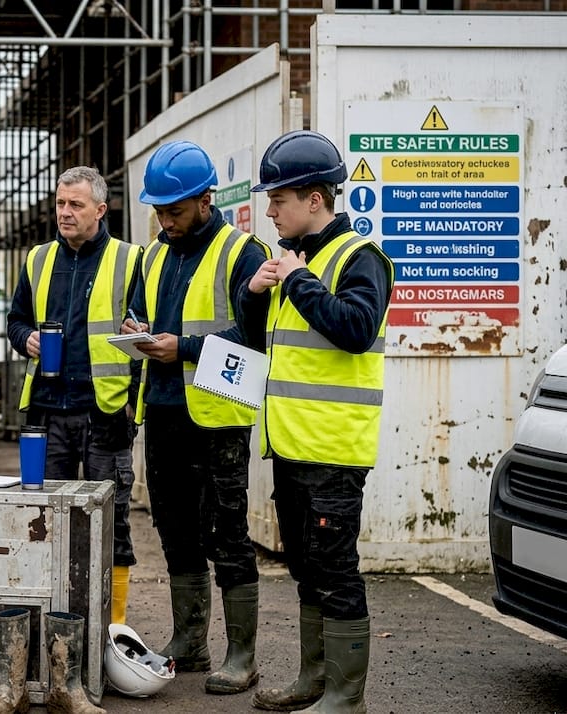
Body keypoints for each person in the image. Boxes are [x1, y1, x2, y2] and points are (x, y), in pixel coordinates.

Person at [238, 130, 392, 714]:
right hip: (295, 448)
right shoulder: (295, 261)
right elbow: (266, 343)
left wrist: (297, 280)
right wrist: (256, 292)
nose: (270, 210)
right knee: (306, 569)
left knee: (335, 570)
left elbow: (354, 329)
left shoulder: (359, 259)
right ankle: (313, 681)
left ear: (316, 200)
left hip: (334, 451)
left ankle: (346, 696)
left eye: (279, 199)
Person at [123, 140, 270, 695]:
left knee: (227, 534)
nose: (165, 221)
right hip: (162, 412)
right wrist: (137, 332)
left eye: (175, 210)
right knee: (176, 530)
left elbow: (255, 339)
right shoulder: (156, 253)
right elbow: (141, 313)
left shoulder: (242, 254)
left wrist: (180, 347)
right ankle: (190, 640)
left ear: (205, 200)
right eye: (158, 211)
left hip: (218, 419)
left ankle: (242, 655)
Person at [6, 165, 142, 632]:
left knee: (112, 525)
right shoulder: (39, 259)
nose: (65, 213)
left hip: (104, 413)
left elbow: (145, 333)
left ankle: (113, 627)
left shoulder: (130, 260)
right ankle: (50, 622)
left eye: (75, 205)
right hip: (46, 414)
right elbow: (16, 320)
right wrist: (25, 339)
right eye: (60, 204)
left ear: (100, 210)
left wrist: (133, 403)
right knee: (44, 523)